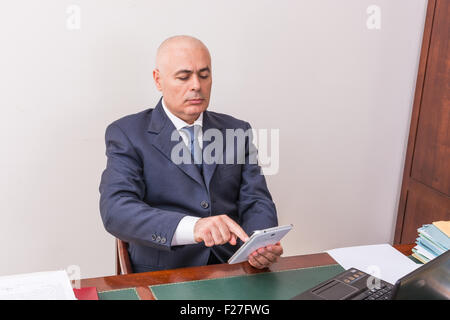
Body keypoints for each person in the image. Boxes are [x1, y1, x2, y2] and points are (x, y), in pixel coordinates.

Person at [99, 35, 283, 273]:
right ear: (158, 80)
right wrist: (194, 227)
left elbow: (256, 200)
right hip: (163, 275)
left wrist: (259, 244)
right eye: (184, 77)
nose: (196, 85)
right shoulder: (127, 133)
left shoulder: (237, 130)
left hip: (235, 266)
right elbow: (116, 210)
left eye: (204, 75)